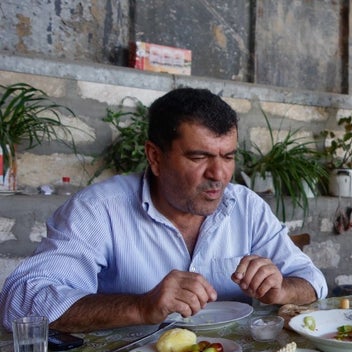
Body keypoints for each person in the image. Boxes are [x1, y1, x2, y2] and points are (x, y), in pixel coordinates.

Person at [0, 87, 327, 332]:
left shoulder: (246, 207)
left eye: (228, 156)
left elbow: (312, 281)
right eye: (199, 157)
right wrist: (140, 307)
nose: (219, 174)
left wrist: (282, 289)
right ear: (155, 157)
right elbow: (20, 305)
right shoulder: (100, 210)